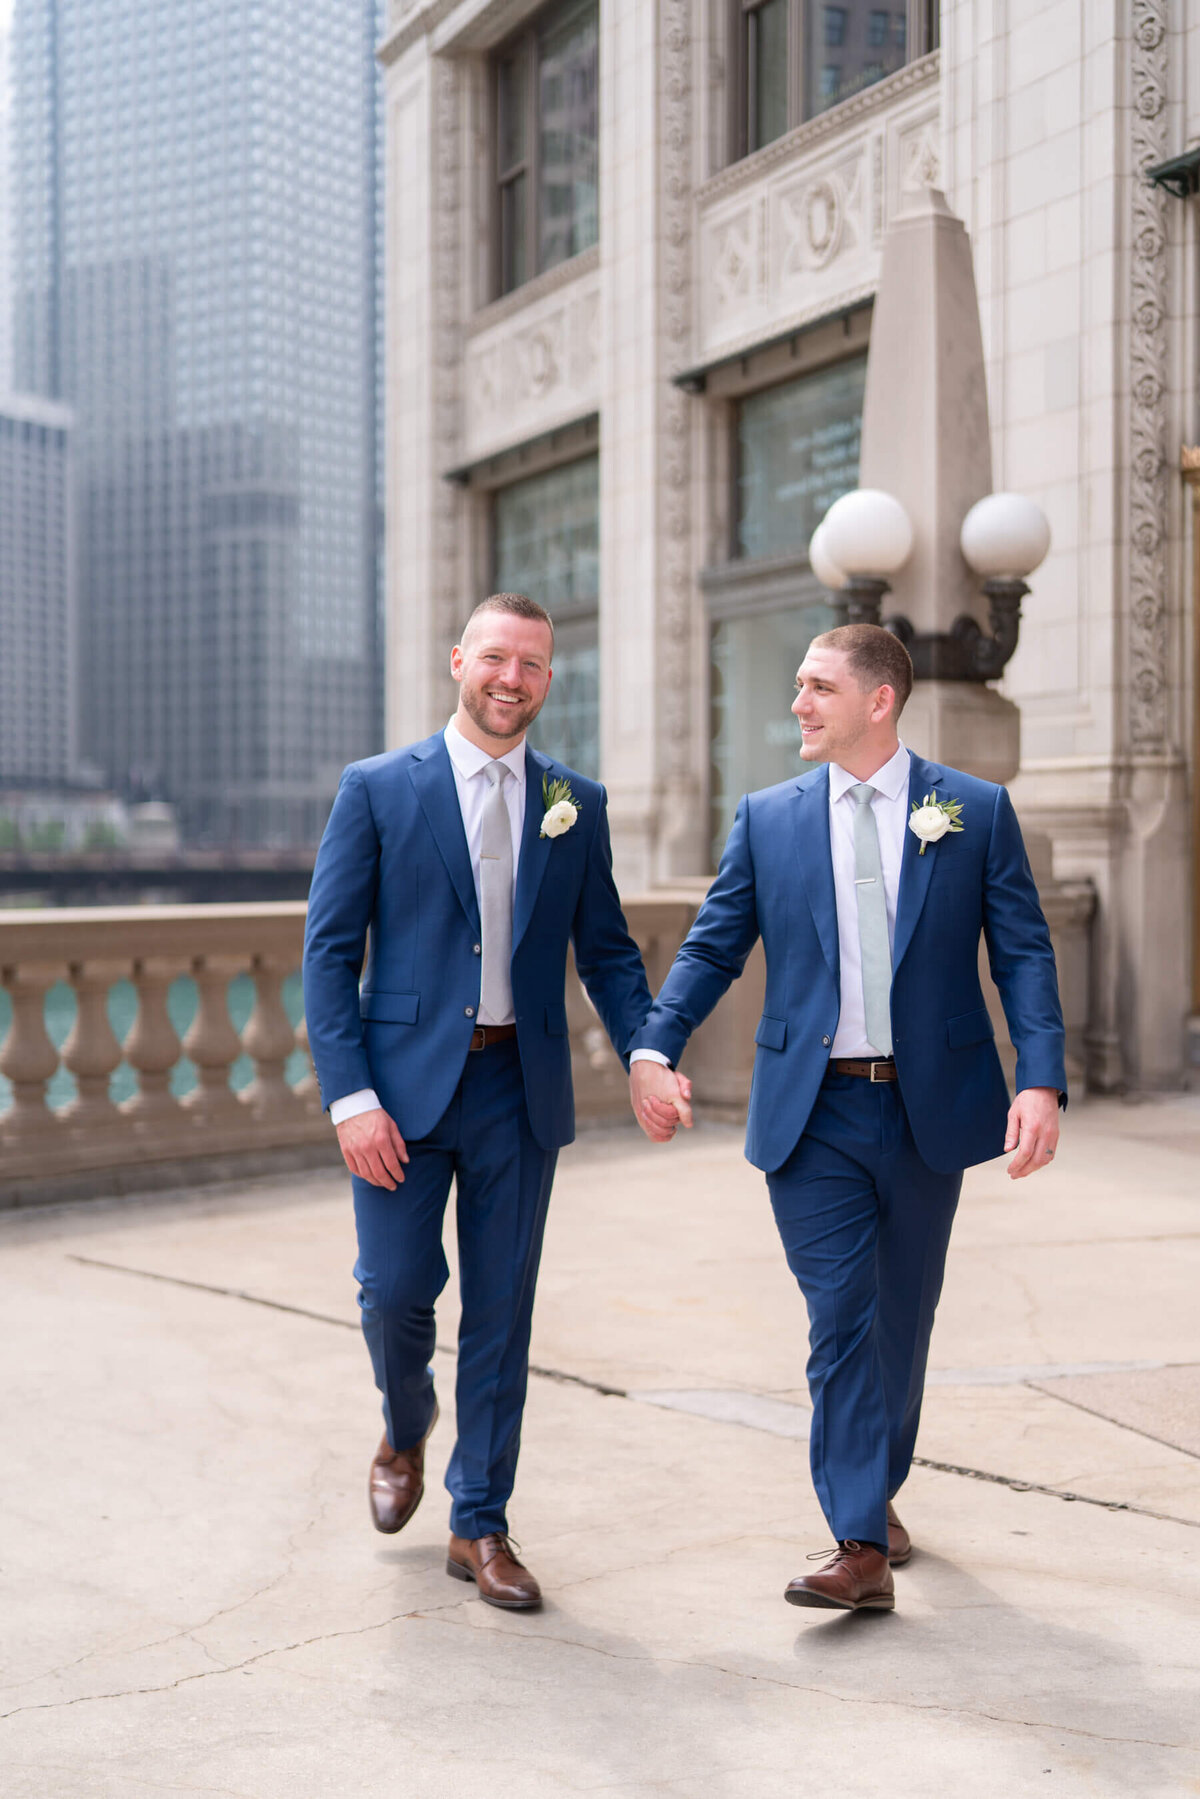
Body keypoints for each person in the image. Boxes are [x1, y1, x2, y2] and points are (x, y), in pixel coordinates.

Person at [629, 623, 1065, 1613]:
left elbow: (1026, 953)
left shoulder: (974, 811)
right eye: (797, 684)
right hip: (812, 1111)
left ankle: (875, 1481)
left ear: (881, 699)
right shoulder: (769, 817)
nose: (798, 704)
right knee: (842, 1315)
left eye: (818, 686)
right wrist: (657, 1044)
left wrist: (1039, 1076)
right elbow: (711, 944)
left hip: (931, 1108)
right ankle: (858, 1539)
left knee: (902, 1318)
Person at [303, 593, 654, 1611]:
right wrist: (351, 1098)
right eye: (495, 657)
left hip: (519, 1086)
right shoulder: (376, 789)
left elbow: (612, 954)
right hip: (399, 1094)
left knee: (501, 1313)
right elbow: (329, 957)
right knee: (396, 1288)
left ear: (550, 677)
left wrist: (648, 1047)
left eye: (533, 664)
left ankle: (479, 1520)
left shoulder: (574, 802)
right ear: (460, 658)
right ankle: (403, 1421)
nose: (512, 679)